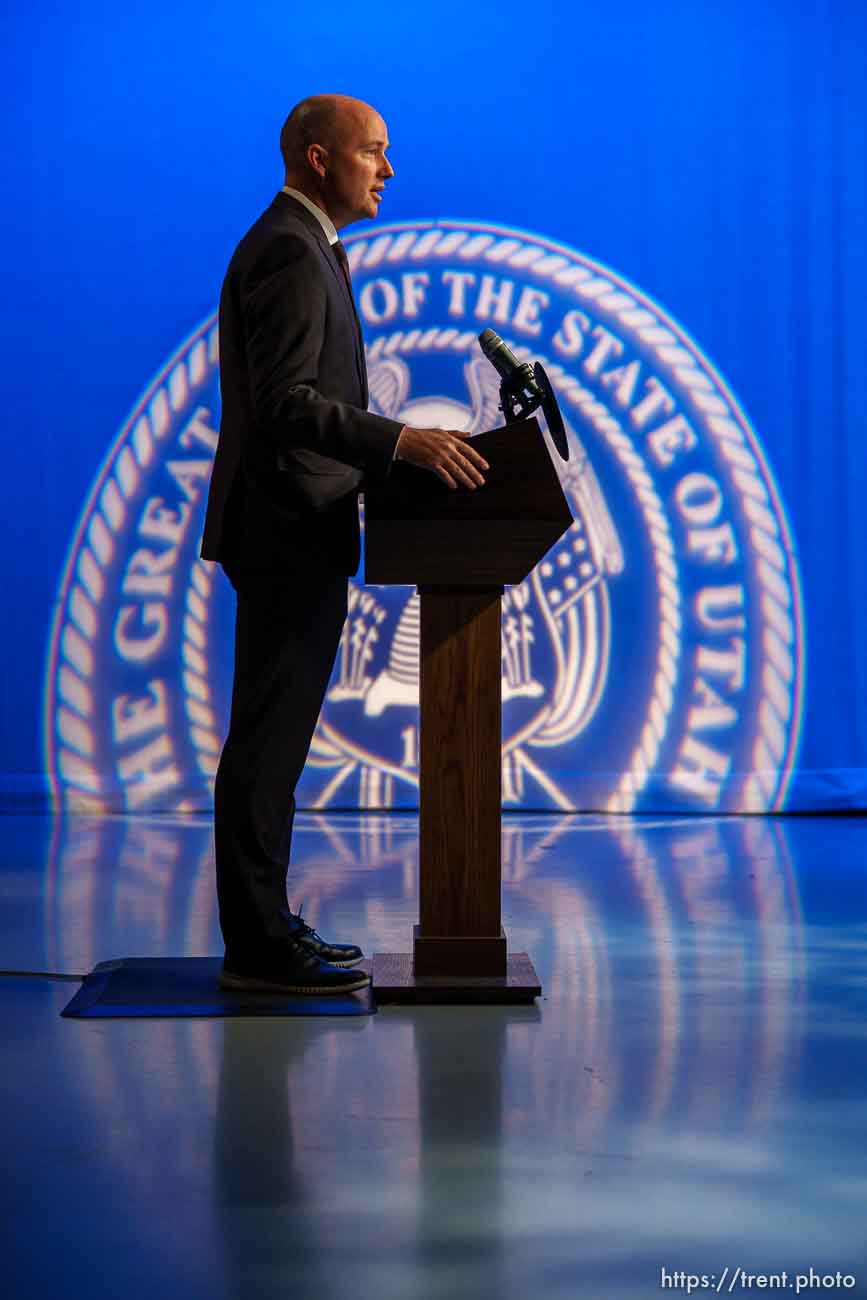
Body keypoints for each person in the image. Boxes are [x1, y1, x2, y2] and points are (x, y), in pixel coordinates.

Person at [201, 94, 489, 995]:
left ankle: (267, 928)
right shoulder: (288, 248)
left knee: (274, 742)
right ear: (320, 158)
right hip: (286, 528)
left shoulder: (306, 243)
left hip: (303, 524)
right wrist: (399, 441)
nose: (390, 170)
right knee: (267, 743)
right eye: (374, 152)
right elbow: (287, 405)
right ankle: (257, 947)